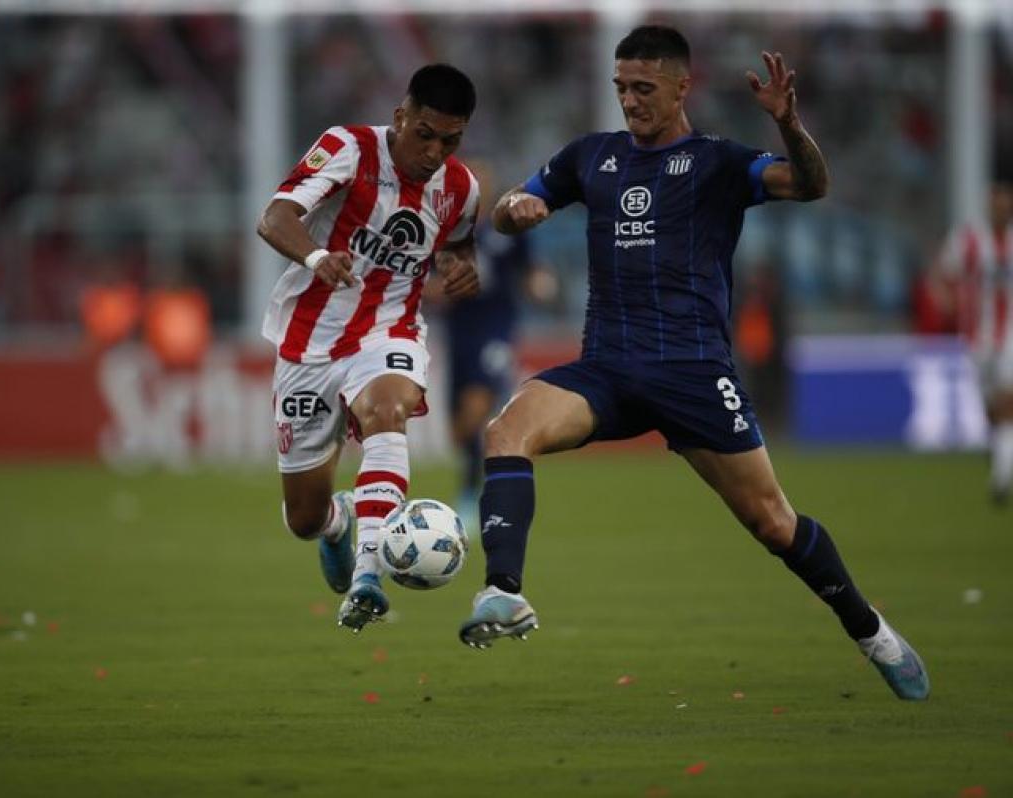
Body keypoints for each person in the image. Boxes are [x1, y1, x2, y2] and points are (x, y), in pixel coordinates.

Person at [459, 25, 930, 701]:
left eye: (644, 88)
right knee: (507, 432)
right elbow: (508, 212)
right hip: (607, 370)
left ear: (684, 86)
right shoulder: (591, 158)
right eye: (622, 88)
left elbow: (810, 184)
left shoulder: (717, 162)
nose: (630, 101)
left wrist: (791, 125)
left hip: (693, 372)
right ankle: (503, 591)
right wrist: (516, 208)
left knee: (773, 522)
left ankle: (870, 631)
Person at [257, 64, 481, 633]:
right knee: (304, 518)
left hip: (390, 331)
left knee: (388, 411)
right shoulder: (349, 148)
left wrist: (461, 271)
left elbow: (459, 244)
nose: (435, 153)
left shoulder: (462, 189)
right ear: (399, 117)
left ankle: (368, 578)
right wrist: (315, 257)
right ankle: (338, 525)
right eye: (424, 134)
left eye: (450, 141)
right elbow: (274, 217)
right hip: (308, 344)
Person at [431, 159, 557, 529]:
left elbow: (531, 269)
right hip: (458, 332)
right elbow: (425, 285)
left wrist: (539, 283)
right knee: (458, 431)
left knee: (475, 410)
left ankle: (472, 495)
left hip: (496, 330)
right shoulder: (446, 232)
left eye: (483, 180)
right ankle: (478, 482)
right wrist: (443, 290)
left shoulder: (509, 229)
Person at [937, 182, 1013, 505]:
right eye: (995, 202)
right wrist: (951, 304)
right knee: (990, 411)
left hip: (1009, 335)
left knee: (1006, 402)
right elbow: (943, 274)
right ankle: (1002, 456)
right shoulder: (967, 238)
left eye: (1004, 203)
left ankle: (1000, 480)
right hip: (976, 339)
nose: (1000, 208)